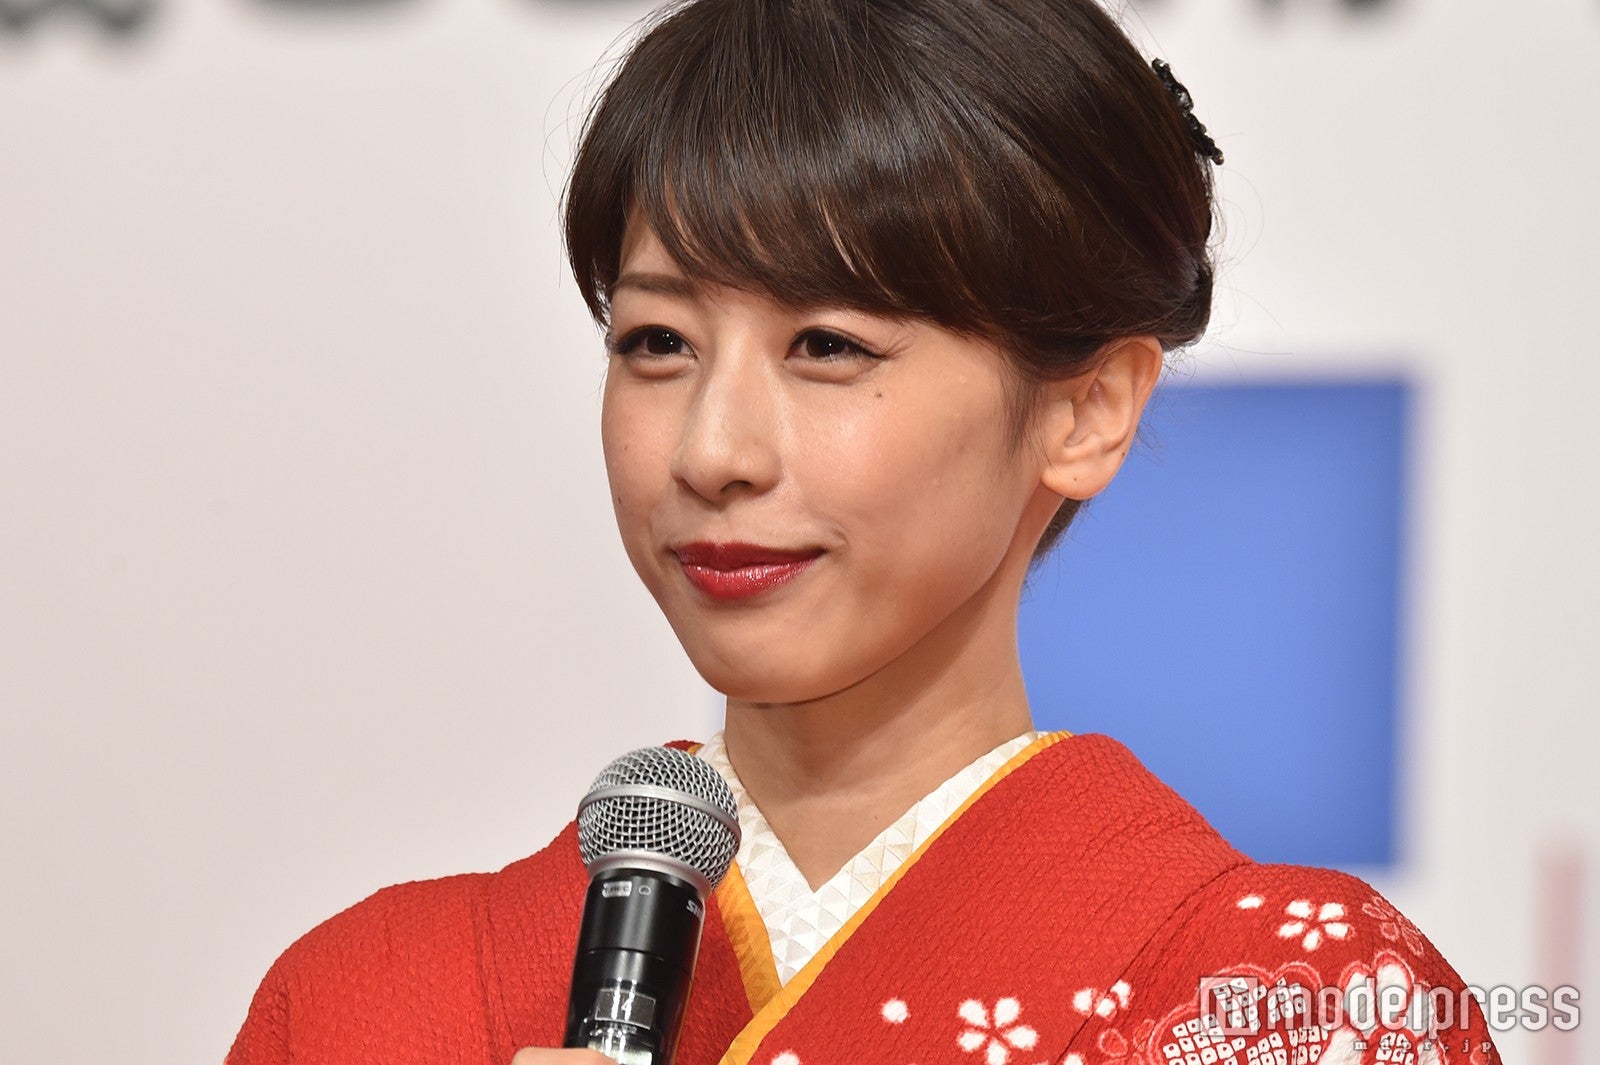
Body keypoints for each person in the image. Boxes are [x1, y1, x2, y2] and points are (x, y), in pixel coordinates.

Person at [227, 1, 1503, 1063]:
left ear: (1085, 409)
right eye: (657, 341)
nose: (712, 451)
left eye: (828, 345)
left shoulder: (1286, 1006)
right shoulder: (363, 1004)